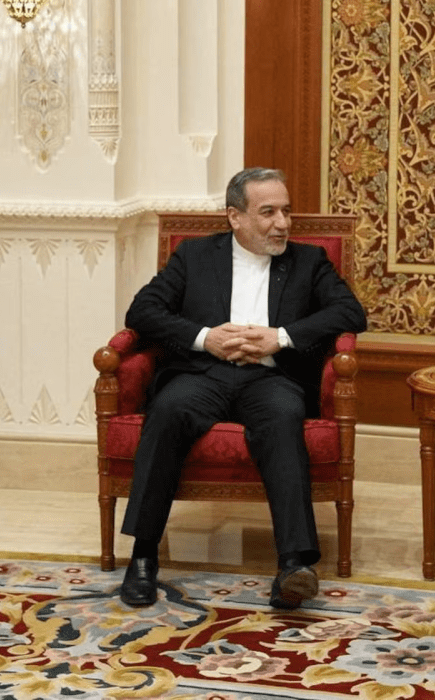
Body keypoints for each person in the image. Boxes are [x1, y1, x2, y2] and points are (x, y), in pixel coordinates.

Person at [118, 167, 367, 610]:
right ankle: (142, 557)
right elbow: (143, 311)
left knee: (284, 419)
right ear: (235, 217)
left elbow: (351, 313)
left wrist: (281, 337)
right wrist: (205, 337)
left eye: (286, 211)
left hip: (271, 378)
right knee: (168, 410)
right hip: (202, 374)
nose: (282, 223)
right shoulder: (195, 255)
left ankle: (293, 565)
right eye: (268, 212)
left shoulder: (308, 261)